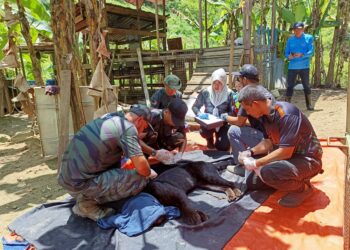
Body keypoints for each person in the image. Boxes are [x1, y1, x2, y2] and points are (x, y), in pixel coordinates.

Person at [58, 105, 158, 221]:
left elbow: (133, 141)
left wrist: (154, 152)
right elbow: (143, 170)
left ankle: (87, 196)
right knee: (142, 177)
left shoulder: (110, 118)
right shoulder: (128, 128)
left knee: (118, 165)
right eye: (144, 128)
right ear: (140, 120)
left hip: (67, 179)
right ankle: (86, 204)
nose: (143, 131)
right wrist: (150, 172)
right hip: (80, 186)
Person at [237, 85, 323, 207]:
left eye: (247, 109)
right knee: (252, 182)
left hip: (308, 160)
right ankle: (283, 177)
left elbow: (285, 152)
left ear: (255, 104)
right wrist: (250, 152)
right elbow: (268, 142)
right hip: (287, 160)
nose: (247, 113)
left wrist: (257, 163)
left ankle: (304, 188)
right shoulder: (264, 117)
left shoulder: (287, 114)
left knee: (268, 172)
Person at [226, 64, 275, 166]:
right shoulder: (264, 91)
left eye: (239, 78)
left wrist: (224, 117)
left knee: (233, 130)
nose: (238, 81)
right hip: (271, 136)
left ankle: (242, 164)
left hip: (267, 140)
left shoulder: (248, 95)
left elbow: (240, 122)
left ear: (244, 79)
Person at [192, 68, 235, 151]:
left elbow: (233, 112)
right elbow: (195, 106)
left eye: (219, 83)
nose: (216, 85)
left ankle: (220, 140)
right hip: (208, 124)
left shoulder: (230, 94)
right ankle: (209, 140)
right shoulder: (206, 92)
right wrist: (199, 114)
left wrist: (226, 116)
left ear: (224, 82)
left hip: (223, 124)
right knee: (204, 132)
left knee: (223, 146)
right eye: (214, 82)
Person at [284, 22, 314, 110]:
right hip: (292, 66)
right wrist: (289, 56)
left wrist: (302, 55)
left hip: (304, 66)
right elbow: (286, 53)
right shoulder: (290, 40)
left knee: (306, 85)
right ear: (293, 30)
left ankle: (309, 105)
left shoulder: (309, 38)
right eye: (296, 29)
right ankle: (286, 105)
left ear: (303, 29)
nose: (297, 31)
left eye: (300, 29)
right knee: (289, 86)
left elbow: (311, 52)